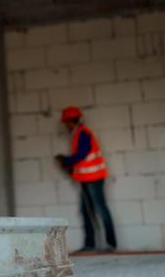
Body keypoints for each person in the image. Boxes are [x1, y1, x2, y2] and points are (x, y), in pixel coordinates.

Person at [55, 106, 116, 252]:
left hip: (93, 178)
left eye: (66, 122)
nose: (65, 126)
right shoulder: (77, 133)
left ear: (70, 121)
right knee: (86, 211)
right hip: (85, 178)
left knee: (100, 209)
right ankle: (90, 244)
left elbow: (82, 154)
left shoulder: (82, 133)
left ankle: (111, 244)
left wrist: (67, 161)